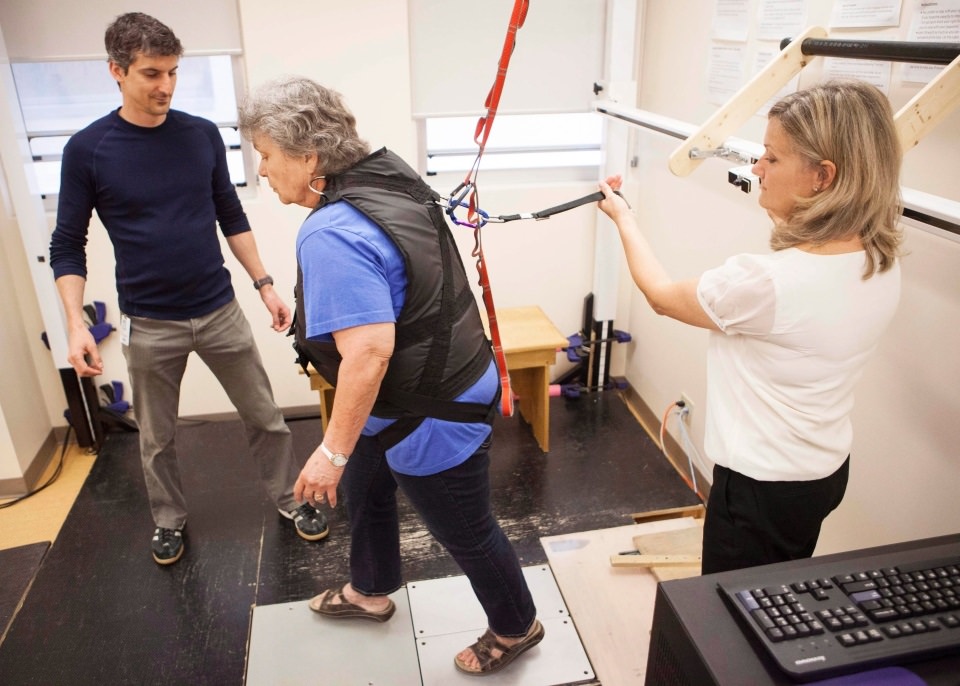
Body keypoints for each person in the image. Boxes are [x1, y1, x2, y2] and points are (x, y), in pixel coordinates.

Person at [237, 76, 543, 676]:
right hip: (441, 377)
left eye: (267, 157)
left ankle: (516, 625)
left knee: (466, 529)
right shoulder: (387, 180)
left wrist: (330, 449)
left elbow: (370, 353)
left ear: (309, 157)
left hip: (428, 406)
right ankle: (369, 591)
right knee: (365, 485)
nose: (263, 171)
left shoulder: (331, 233)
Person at [48, 13, 328, 566]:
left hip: (219, 310)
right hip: (149, 324)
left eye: (174, 72)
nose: (166, 86)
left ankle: (289, 500)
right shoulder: (89, 149)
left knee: (266, 417)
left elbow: (229, 213)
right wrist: (76, 323)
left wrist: (265, 285)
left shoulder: (200, 134)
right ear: (116, 71)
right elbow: (67, 243)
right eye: (152, 73)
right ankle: (169, 521)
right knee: (156, 440)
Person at [598, 80, 903, 574]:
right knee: (776, 589)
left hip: (760, 490)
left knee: (731, 618)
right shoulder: (879, 256)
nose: (757, 169)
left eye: (772, 158)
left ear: (823, 175)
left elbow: (659, 297)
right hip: (823, 472)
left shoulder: (766, 283)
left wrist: (624, 218)